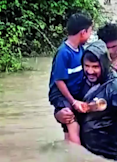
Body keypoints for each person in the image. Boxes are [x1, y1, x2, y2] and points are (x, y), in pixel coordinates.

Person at [48, 13, 93, 144]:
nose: (90, 35)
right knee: (73, 124)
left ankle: (67, 154)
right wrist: (73, 102)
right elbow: (59, 80)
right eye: (90, 32)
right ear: (83, 32)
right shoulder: (64, 53)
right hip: (61, 95)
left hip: (74, 93)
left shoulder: (81, 50)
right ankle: (77, 160)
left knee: (69, 132)